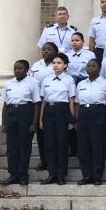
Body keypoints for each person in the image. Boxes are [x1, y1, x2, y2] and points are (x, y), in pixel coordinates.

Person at [38, 53, 76, 185]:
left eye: (59, 63)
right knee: (49, 145)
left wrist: (71, 120)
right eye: (54, 63)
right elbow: (44, 101)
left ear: (65, 65)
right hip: (49, 111)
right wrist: (41, 119)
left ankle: (61, 175)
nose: (56, 65)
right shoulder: (46, 80)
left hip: (62, 111)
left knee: (62, 145)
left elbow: (71, 101)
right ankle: (51, 174)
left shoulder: (69, 80)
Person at [0, 60, 40, 186]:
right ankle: (13, 174)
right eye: (15, 68)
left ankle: (23, 174)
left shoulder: (33, 83)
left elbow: (36, 103)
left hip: (25, 112)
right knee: (12, 147)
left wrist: (34, 123)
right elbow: (5, 104)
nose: (17, 71)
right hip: (11, 113)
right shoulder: (8, 83)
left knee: (24, 146)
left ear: (27, 69)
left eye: (20, 68)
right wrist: (4, 123)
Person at [75, 59, 106, 186]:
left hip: (98, 112)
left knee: (97, 147)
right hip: (83, 114)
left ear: (99, 68)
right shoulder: (81, 84)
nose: (90, 68)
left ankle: (97, 176)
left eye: (93, 66)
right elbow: (77, 103)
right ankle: (86, 175)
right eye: (88, 66)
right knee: (83, 147)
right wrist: (76, 119)